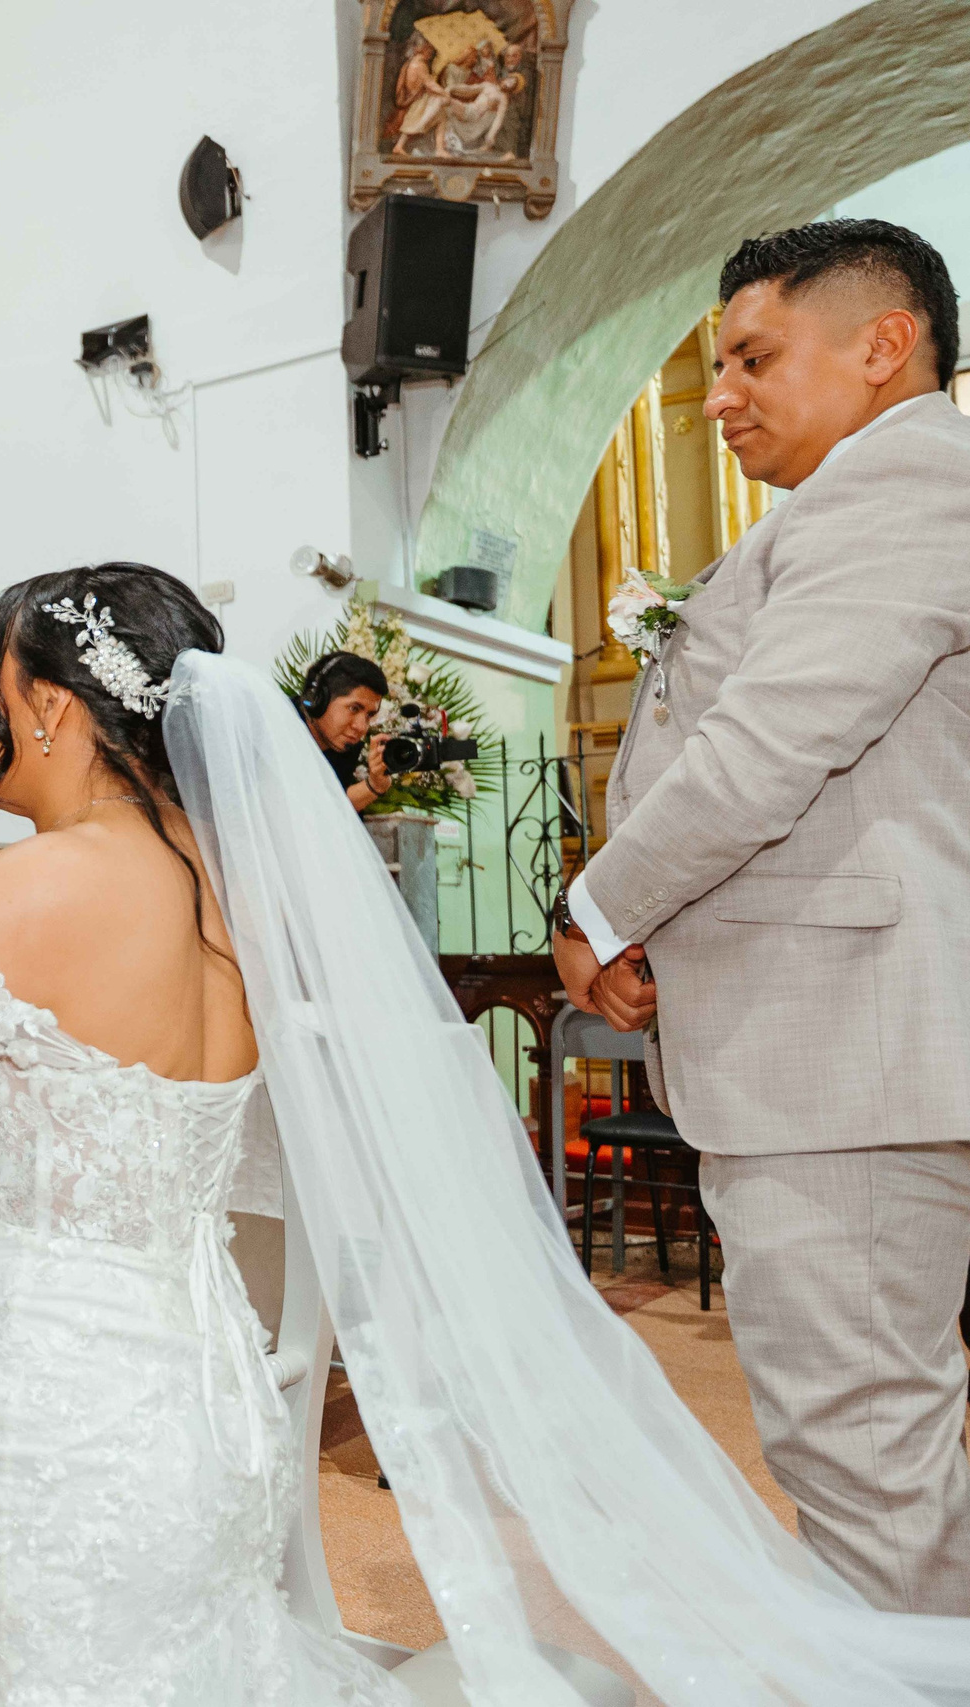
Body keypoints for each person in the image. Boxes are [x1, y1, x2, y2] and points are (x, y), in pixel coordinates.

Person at [0, 563, 970, 1703]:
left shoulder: (50, 880)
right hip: (208, 1400)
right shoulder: (230, 892)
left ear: (53, 710)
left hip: (62, 1414)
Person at [553, 217, 970, 1613]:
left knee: (866, 1468)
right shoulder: (858, 499)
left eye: (751, 355)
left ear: (881, 343)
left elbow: (772, 746)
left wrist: (599, 903)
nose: (718, 393)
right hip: (835, 1050)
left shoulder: (903, 482)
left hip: (840, 1062)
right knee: (873, 1456)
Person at [294, 649, 391, 811]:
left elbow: (329, 811)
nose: (361, 727)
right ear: (318, 699)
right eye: (354, 708)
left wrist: (376, 784)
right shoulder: (275, 725)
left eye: (369, 715)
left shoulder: (345, 749)